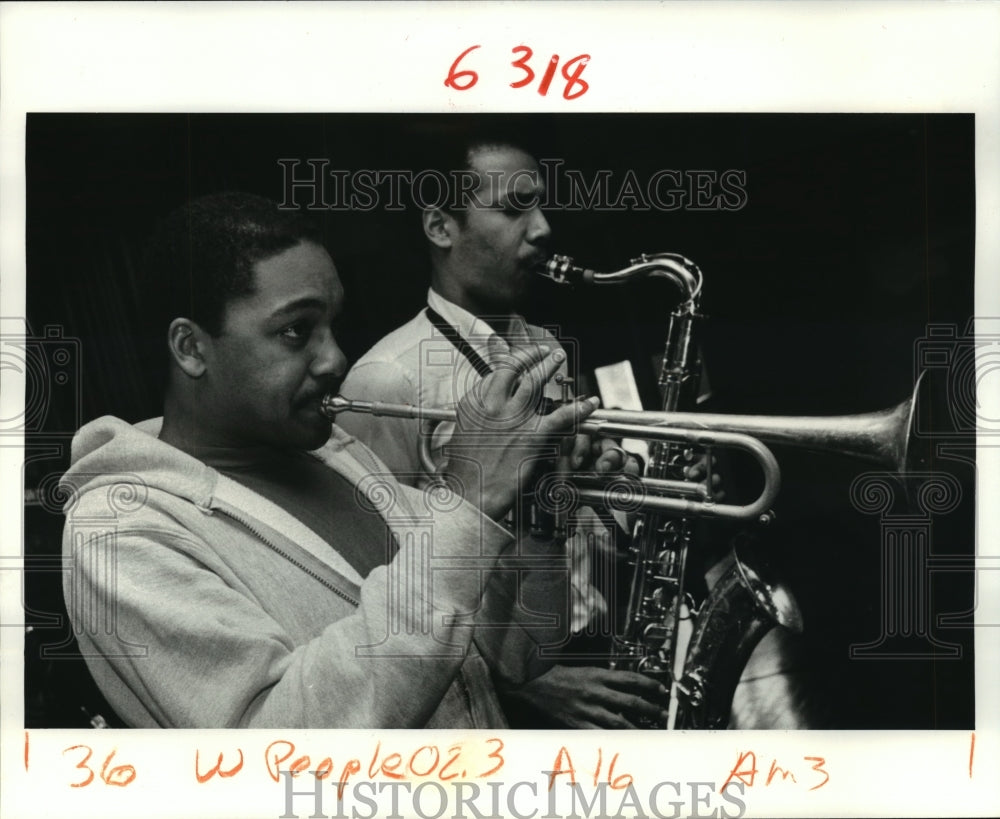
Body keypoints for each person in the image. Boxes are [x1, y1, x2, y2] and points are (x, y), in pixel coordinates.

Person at [58, 191, 619, 729]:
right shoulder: (122, 532)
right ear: (191, 347)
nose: (335, 359)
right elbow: (280, 745)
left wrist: (539, 517)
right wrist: (469, 504)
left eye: (332, 326)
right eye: (296, 331)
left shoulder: (338, 456)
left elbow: (514, 659)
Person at [338, 135, 675, 729]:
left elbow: (566, 508)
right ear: (442, 227)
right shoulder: (386, 379)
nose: (543, 229)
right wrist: (523, 688)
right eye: (514, 209)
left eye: (542, 206)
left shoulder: (542, 346)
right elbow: (376, 580)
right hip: (498, 692)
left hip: (586, 637)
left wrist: (630, 489)